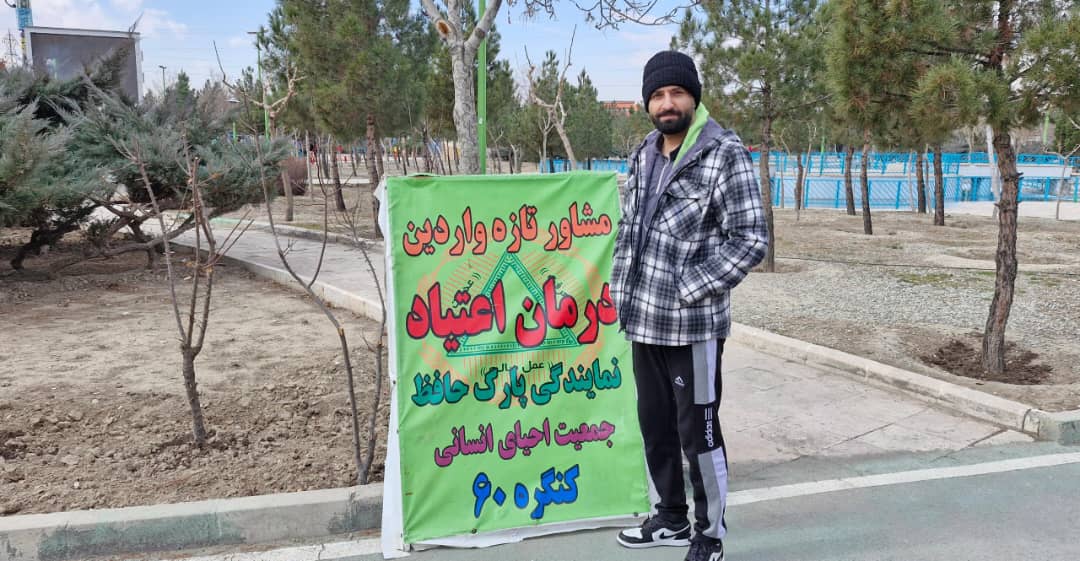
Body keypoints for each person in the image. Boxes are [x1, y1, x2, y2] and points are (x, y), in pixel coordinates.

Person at [610, 50, 768, 561]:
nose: (667, 103)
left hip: (692, 327)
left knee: (697, 433)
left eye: (676, 92)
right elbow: (629, 232)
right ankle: (671, 518)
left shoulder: (724, 153)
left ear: (693, 97)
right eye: (657, 95)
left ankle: (709, 534)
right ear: (647, 103)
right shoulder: (644, 154)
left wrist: (689, 287)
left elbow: (750, 239)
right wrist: (619, 290)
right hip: (643, 321)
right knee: (654, 426)